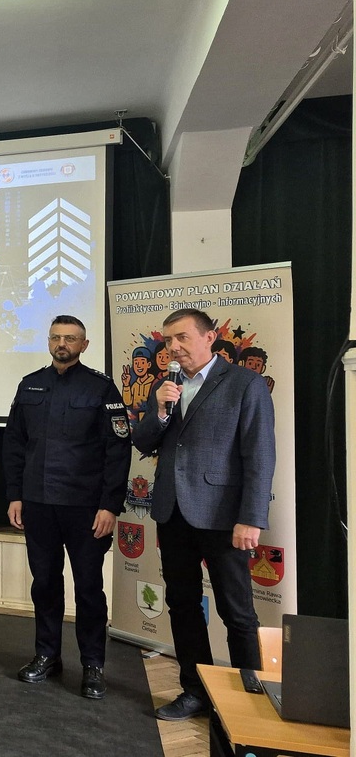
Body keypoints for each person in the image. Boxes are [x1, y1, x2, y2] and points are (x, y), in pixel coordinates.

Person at [132, 308, 275, 721]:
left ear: (209, 337)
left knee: (237, 610)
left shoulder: (245, 383)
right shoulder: (166, 385)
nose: (174, 347)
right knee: (182, 604)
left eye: (182, 337)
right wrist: (160, 411)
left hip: (224, 517)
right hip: (172, 512)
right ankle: (195, 691)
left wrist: (251, 517)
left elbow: (259, 454)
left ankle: (250, 700)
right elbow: (143, 442)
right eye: (168, 340)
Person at [3, 315, 130, 699]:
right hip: (38, 503)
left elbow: (117, 450)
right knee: (44, 584)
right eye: (56, 337)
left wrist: (110, 505)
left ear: (84, 345)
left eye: (71, 338)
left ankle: (93, 665)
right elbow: (14, 444)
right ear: (48, 341)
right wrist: (15, 495)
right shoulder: (30, 384)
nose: (62, 344)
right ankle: (47, 655)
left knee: (88, 588)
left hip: (85, 508)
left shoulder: (101, 388)